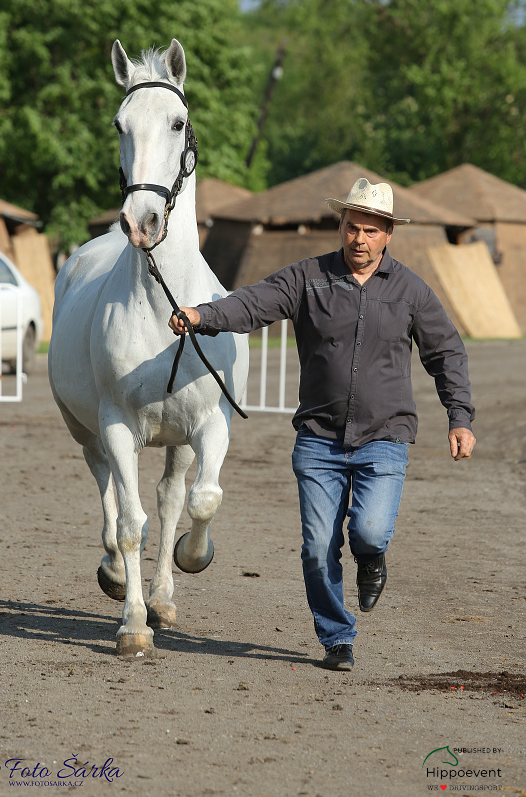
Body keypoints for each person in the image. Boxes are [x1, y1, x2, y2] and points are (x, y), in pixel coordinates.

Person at [168, 178, 476, 671]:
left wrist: (459, 417)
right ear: (341, 226)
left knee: (370, 532)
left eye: (372, 231)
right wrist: (201, 314)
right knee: (316, 549)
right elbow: (252, 304)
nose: (360, 239)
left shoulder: (412, 291)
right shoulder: (307, 278)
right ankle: (337, 637)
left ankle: (371, 559)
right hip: (318, 441)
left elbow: (446, 353)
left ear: (388, 234)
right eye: (353, 228)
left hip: (385, 439)